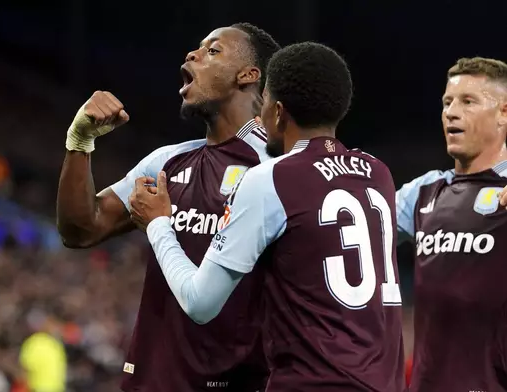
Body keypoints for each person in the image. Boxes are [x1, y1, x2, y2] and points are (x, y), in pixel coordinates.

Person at [129, 42, 405, 392]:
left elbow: (200, 303)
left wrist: (158, 224)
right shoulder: (378, 173)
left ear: (277, 111)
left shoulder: (271, 178)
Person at [56, 23, 281, 391]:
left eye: (213, 51)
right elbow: (81, 228)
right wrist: (79, 142)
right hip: (151, 381)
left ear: (248, 75)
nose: (191, 55)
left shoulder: (277, 169)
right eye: (196, 48)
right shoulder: (167, 163)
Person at [395, 57, 507, 391]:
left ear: (504, 112)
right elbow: (357, 217)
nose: (451, 112)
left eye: (468, 101)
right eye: (447, 102)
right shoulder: (425, 191)